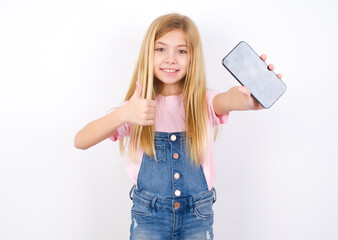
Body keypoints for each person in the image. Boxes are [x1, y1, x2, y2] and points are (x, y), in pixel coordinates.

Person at [74, 13, 282, 240]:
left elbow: (230, 99)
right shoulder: (136, 107)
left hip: (197, 217)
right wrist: (123, 114)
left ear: (193, 57)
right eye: (161, 49)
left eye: (181, 51)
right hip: (148, 217)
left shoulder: (203, 102)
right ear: (148, 54)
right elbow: (81, 141)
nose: (171, 58)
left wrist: (248, 97)